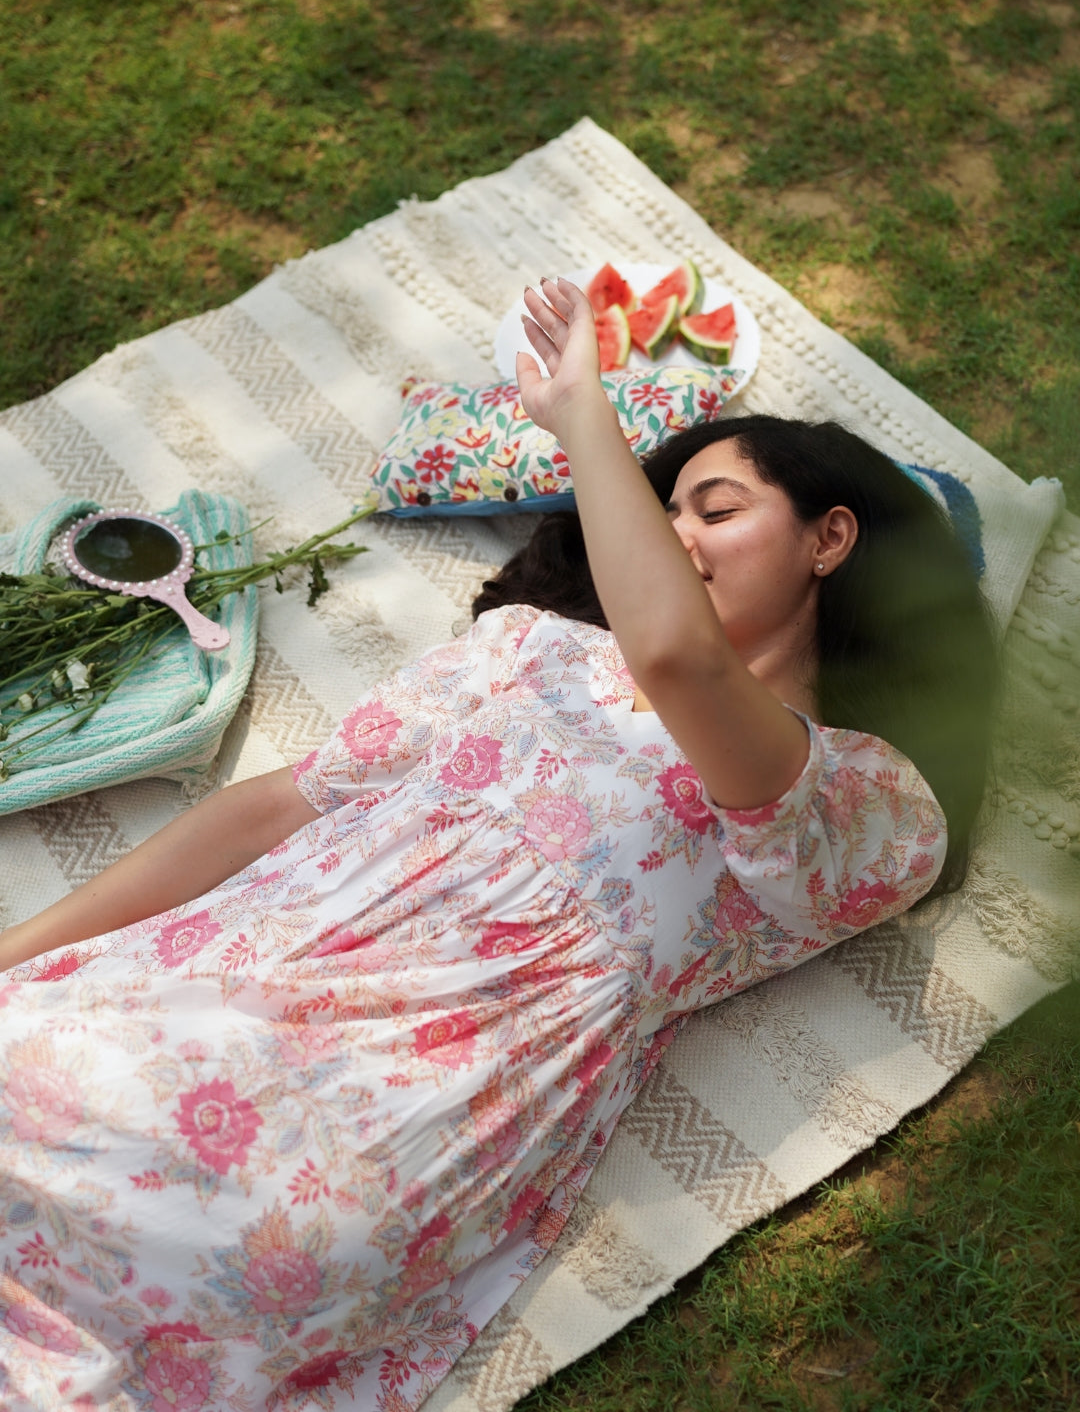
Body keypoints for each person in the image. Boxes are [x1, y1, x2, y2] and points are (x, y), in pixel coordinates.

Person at [0, 280, 995, 1410]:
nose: (671, 539)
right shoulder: (523, 648)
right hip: (217, 980)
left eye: (712, 510)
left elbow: (681, 661)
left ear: (831, 538)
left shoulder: (870, 806)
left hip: (382, 1115)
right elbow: (269, 809)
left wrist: (584, 415)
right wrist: (14, 957)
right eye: (658, 516)